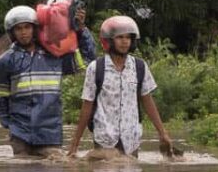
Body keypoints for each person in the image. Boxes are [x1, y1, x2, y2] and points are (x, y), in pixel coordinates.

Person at [0, 4, 95, 157]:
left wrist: (81, 29)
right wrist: (8, 123)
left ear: (35, 29)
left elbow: (87, 60)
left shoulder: (54, 55)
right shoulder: (6, 61)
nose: (23, 32)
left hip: (50, 132)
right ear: (12, 32)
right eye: (18, 29)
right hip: (20, 134)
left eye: (27, 27)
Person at [67, 15, 173, 159]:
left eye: (128, 38)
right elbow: (87, 106)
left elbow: (147, 100)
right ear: (109, 41)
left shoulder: (139, 67)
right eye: (120, 37)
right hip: (104, 138)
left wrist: (162, 133)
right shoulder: (96, 68)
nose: (125, 42)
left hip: (131, 140)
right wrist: (75, 143)